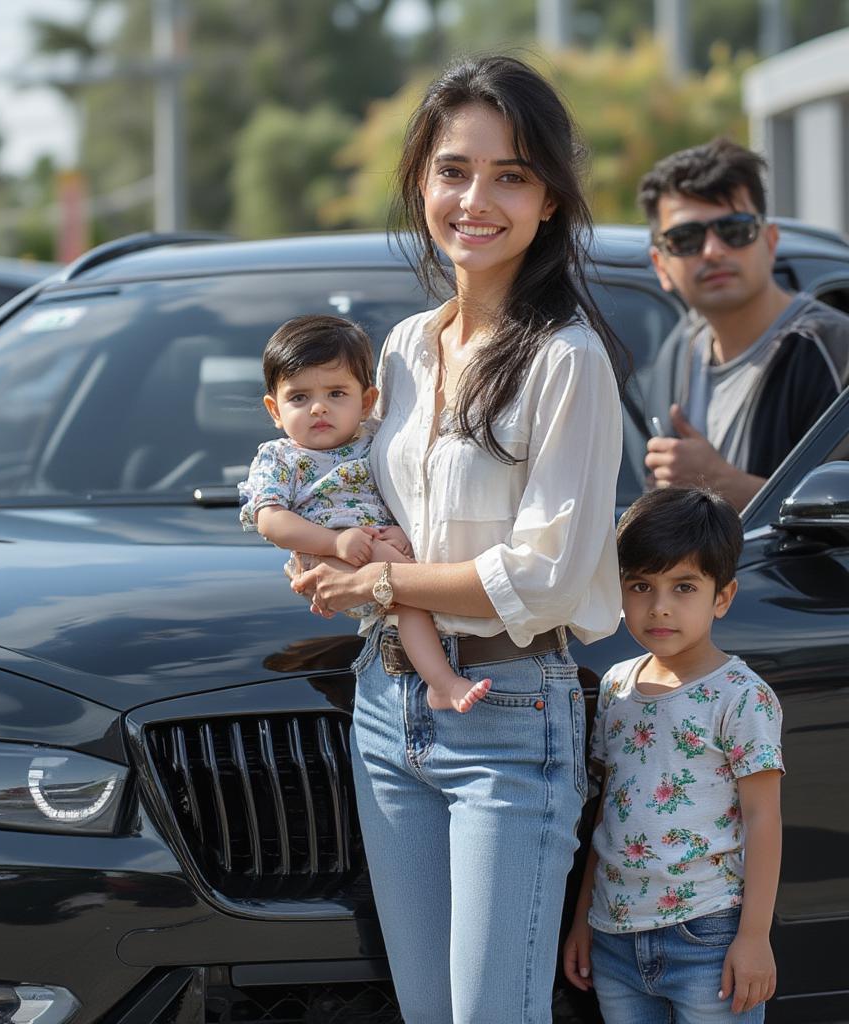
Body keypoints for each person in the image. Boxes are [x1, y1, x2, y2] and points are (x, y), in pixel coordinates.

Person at [291, 55, 629, 1022]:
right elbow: (369, 503)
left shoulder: (567, 361)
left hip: (512, 713)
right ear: (422, 182)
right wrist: (326, 548)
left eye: (511, 175)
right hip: (386, 708)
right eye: (453, 170)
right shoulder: (397, 349)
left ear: (551, 201)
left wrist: (388, 590)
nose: (475, 198)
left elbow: (549, 580)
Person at [563, 487, 783, 1023]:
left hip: (707, 936)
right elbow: (606, 812)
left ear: (722, 597)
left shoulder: (741, 696)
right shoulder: (616, 687)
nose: (659, 605)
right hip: (615, 939)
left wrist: (754, 938)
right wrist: (583, 920)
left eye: (684, 586)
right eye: (641, 585)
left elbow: (763, 818)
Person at [239, 314, 492, 712]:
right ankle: (442, 682)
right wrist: (336, 542)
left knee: (406, 599)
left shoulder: (376, 441)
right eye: (299, 397)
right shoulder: (281, 457)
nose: (319, 408)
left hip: (372, 548)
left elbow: (408, 495)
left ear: (367, 401)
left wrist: (402, 533)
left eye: (336, 393)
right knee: (409, 593)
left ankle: (438, 684)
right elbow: (269, 520)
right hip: (326, 553)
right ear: (275, 408)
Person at [639, 137, 849, 511]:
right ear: (660, 265)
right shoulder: (676, 353)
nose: (713, 250)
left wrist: (723, 485)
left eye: (735, 230)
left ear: (769, 242)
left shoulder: (836, 351)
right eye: (686, 238)